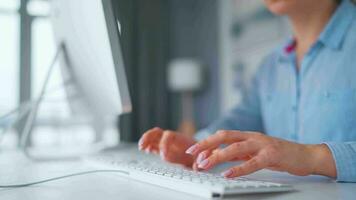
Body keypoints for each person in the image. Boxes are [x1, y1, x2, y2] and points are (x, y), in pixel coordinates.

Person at [138, 0, 356, 182]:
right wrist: (197, 146)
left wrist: (309, 156)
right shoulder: (270, 65)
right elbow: (239, 122)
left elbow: (301, 155)